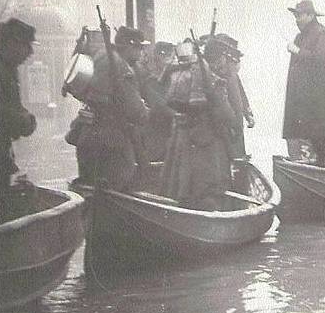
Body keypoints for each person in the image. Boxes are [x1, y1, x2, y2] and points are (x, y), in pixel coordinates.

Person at [161, 39, 236, 210]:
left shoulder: (181, 76)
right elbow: (228, 115)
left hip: (182, 138)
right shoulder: (214, 81)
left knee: (181, 185)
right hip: (207, 141)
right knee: (209, 187)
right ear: (220, 58)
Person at [76, 25, 150, 190]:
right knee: (117, 193)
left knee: (89, 189)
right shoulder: (122, 68)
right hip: (113, 143)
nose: (141, 52)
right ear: (130, 46)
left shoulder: (99, 57)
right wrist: (145, 111)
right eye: (139, 47)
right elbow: (137, 113)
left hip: (87, 137)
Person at [281, 0, 325, 168]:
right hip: (310, 106)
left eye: (299, 15)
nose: (296, 19)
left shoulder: (324, 35)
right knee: (319, 146)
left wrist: (298, 51)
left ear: (311, 15)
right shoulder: (301, 37)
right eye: (295, 16)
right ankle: (323, 173)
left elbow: (322, 59)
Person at [0, 18, 38, 191]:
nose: (30, 52)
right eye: (27, 46)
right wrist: (24, 121)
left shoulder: (7, 68)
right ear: (12, 43)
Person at [211, 33, 253, 160]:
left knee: (238, 150)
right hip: (226, 122)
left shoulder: (232, 72)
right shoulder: (216, 72)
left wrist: (248, 113)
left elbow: (241, 93)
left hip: (236, 119)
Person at [136, 41, 177, 162]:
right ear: (159, 57)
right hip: (157, 142)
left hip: (170, 139)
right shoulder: (151, 82)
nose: (173, 61)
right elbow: (161, 107)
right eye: (170, 57)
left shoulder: (172, 80)